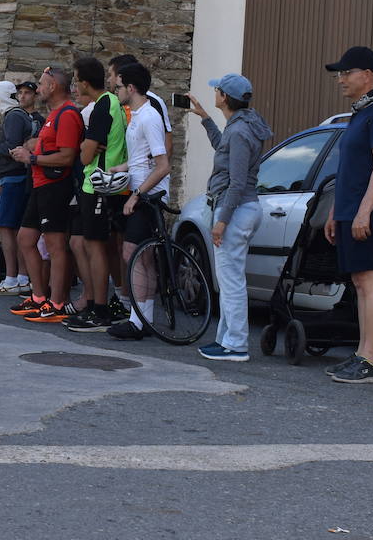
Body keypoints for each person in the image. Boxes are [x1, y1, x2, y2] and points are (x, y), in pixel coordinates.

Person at [322, 46, 373, 384]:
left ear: (366, 76)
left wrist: (363, 213)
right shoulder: (362, 113)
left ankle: (370, 359)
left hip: (368, 215)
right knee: (359, 282)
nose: (340, 79)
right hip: (351, 212)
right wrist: (336, 212)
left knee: (370, 281)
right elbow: (351, 170)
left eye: (345, 73)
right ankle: (361, 355)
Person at [190, 73, 272, 362]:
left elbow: (236, 182)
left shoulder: (239, 131)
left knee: (231, 281)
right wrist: (205, 118)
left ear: (224, 97)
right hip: (241, 209)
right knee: (229, 280)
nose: (215, 93)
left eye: (217, 90)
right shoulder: (243, 125)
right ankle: (226, 341)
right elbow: (224, 150)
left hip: (235, 210)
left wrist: (222, 220)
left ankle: (236, 344)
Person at [7, 66, 82, 323]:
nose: (37, 89)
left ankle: (57, 302)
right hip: (40, 184)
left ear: (53, 87)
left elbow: (68, 156)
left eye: (41, 84)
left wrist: (33, 157)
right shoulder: (54, 115)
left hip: (55, 186)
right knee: (25, 239)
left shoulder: (69, 114)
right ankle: (39, 297)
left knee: (55, 245)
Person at [66, 57, 130, 332]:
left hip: (99, 184)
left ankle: (100, 309)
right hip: (94, 185)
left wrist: (84, 146)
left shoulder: (103, 106)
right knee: (85, 244)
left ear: (84, 82)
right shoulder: (108, 104)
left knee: (96, 246)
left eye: (75, 79)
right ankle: (93, 303)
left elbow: (86, 153)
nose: (74, 85)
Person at [108, 62, 170, 341]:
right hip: (142, 189)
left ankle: (138, 320)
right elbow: (141, 160)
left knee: (132, 254)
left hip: (148, 195)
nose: (116, 90)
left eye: (119, 86)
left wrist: (136, 196)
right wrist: (119, 170)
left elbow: (163, 165)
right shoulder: (137, 115)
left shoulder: (148, 118)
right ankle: (144, 319)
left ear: (131, 88)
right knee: (141, 257)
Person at [0, 81, 33, 295]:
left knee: (7, 228)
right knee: (18, 229)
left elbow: (13, 148)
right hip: (18, 176)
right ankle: (21, 278)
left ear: (1, 97)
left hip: (13, 178)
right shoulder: (20, 115)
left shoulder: (13, 116)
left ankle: (12, 278)